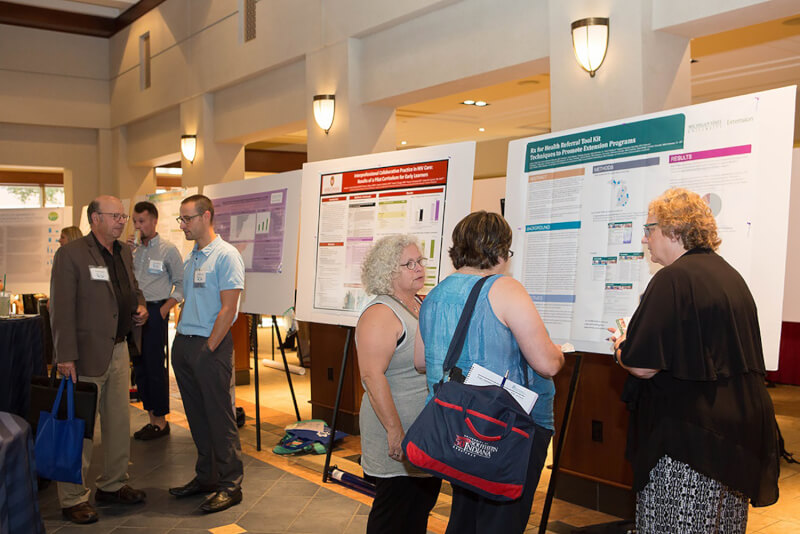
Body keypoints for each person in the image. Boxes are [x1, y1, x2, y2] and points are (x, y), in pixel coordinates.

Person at [608, 188, 779, 533]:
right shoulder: (730, 277)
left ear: (673, 230)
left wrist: (621, 345)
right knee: (722, 525)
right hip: (736, 438)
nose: (645, 239)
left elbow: (643, 365)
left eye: (649, 229)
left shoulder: (672, 279)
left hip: (689, 443)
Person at [414, 211, 564, 534]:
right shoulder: (505, 289)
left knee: (465, 516)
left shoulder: (435, 294)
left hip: (457, 423)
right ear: (499, 250)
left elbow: (420, 361)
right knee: (501, 520)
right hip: (506, 426)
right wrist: (559, 352)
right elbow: (548, 364)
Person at [49, 195, 149, 524]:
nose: (122, 221)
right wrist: (65, 356)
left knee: (119, 423)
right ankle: (73, 497)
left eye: (123, 216)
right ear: (95, 219)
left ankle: (113, 484)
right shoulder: (71, 255)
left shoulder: (123, 252)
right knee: (80, 429)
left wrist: (139, 305)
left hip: (119, 349)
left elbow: (132, 288)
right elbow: (60, 308)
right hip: (83, 355)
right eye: (115, 216)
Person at [356, 235, 442, 534]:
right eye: (409, 264)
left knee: (418, 508)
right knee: (393, 515)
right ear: (388, 271)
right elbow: (371, 376)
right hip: (395, 427)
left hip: (422, 428)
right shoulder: (380, 313)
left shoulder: (418, 303)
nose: (419, 268)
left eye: (420, 261)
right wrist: (394, 432)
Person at [168, 194, 245, 514]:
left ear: (206, 216)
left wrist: (209, 347)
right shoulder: (192, 257)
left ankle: (230, 484)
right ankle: (207, 477)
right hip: (185, 344)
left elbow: (229, 309)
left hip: (209, 346)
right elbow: (188, 299)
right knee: (198, 418)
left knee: (219, 417)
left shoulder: (226, 255)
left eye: (187, 219)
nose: (182, 225)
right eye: (181, 219)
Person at [127, 201, 183, 440]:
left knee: (154, 367)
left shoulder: (168, 250)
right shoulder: (132, 250)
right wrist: (125, 253)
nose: (138, 226)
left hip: (155, 311)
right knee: (139, 368)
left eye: (142, 221)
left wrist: (163, 310)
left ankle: (160, 421)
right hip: (134, 312)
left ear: (154, 221)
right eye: (135, 221)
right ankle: (151, 418)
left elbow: (181, 284)